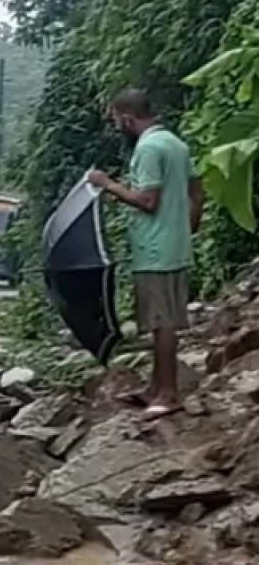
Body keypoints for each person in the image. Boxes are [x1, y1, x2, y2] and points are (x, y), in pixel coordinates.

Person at [88, 88, 203, 422]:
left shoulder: (149, 147)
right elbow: (197, 188)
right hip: (171, 244)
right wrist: (188, 226)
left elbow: (147, 200)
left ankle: (168, 394)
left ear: (127, 117)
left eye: (116, 120)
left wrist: (106, 183)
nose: (116, 126)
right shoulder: (174, 143)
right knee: (158, 321)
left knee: (162, 323)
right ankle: (155, 388)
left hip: (156, 250)